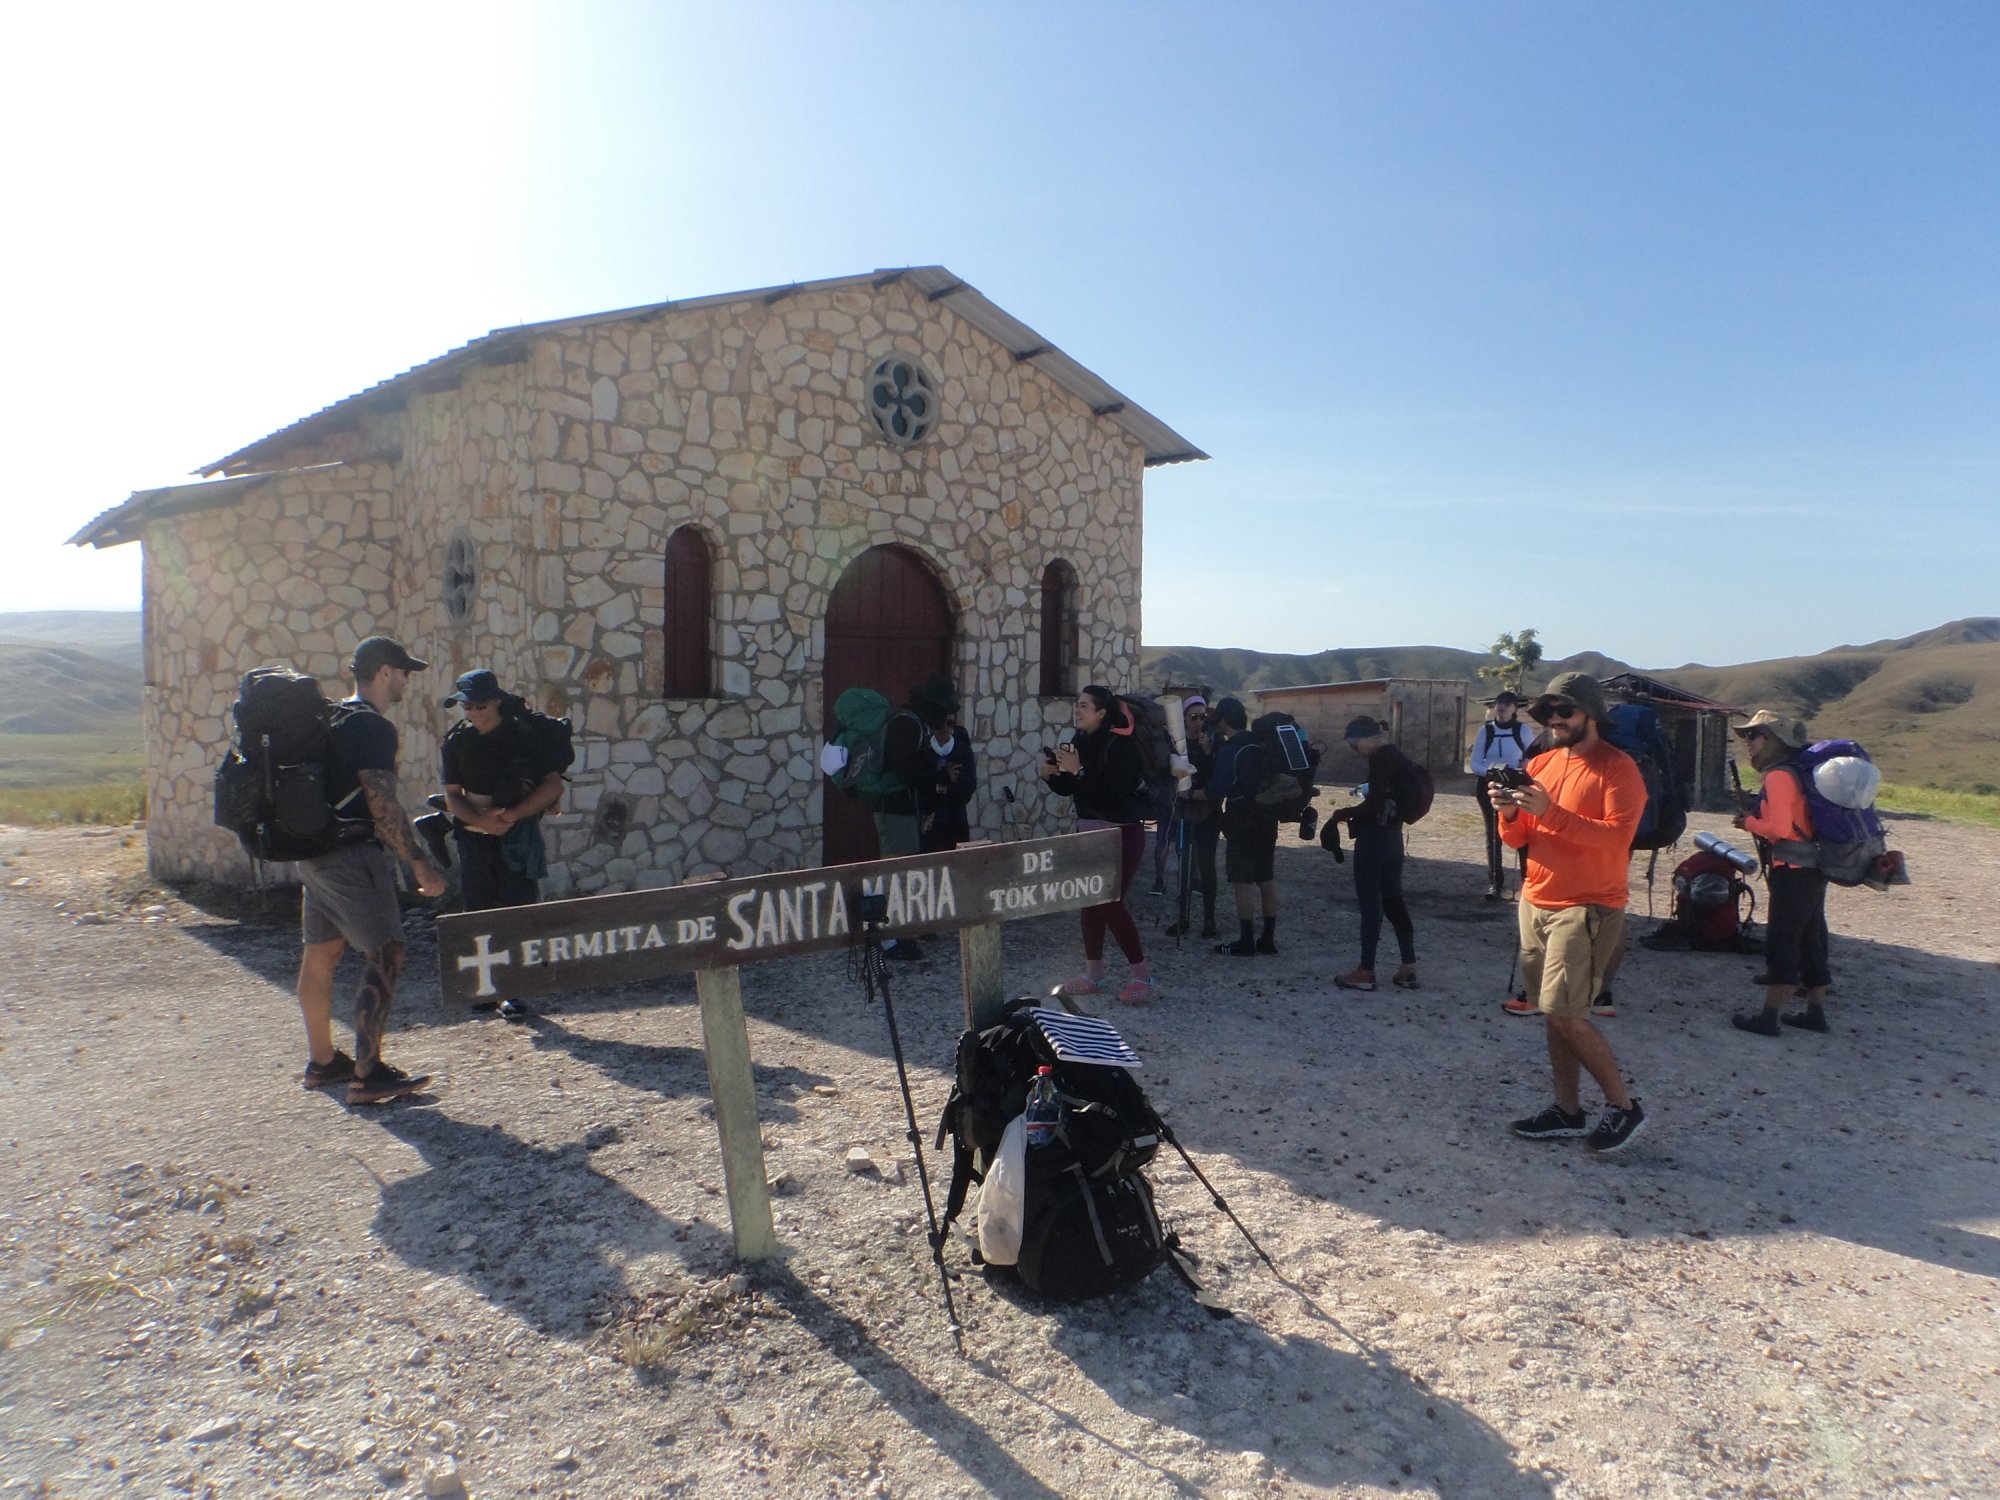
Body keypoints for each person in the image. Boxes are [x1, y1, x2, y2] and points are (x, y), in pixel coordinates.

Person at [1496, 672, 1650, 1155]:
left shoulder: (1618, 768)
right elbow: (1518, 839)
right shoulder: (1541, 763)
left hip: (1587, 905)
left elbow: (1616, 837)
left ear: (1591, 714)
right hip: (1536, 899)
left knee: (1567, 1013)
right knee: (1553, 1013)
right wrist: (1508, 812)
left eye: (1565, 710)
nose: (1555, 719)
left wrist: (1549, 811)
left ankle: (1624, 1108)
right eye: (1548, 712)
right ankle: (1567, 1111)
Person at [297, 636, 447, 1106]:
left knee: (321, 953)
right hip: (352, 854)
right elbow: (381, 803)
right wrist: (418, 861)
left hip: (314, 853)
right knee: (388, 951)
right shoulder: (372, 727)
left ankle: (324, 1061)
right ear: (384, 672)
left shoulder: (330, 718)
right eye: (404, 672)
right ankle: (368, 1073)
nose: (406, 680)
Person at [438, 669, 568, 1021]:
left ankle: (513, 990)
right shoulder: (456, 741)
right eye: (467, 705)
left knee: (516, 910)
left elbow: (552, 786)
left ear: (496, 701)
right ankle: (485, 987)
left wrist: (510, 817)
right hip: (473, 837)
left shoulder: (522, 736)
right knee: (479, 911)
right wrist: (482, 822)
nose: (473, 712)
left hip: (518, 836)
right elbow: (453, 795)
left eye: (479, 705)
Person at [1037, 684, 1156, 1004]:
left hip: (1121, 833)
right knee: (1089, 900)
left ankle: (1142, 976)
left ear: (1102, 713)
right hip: (1088, 830)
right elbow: (1073, 788)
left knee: (1110, 901)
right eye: (1077, 704)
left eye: (1084, 706)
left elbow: (1115, 793)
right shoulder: (1079, 741)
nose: (1077, 710)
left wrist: (1079, 770)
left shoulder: (1122, 746)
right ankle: (1094, 975)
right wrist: (1051, 776)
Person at [1729, 710, 1833, 1037]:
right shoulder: (1798, 772)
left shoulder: (1778, 776)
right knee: (1812, 938)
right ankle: (1815, 1012)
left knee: (1783, 941)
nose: (1748, 742)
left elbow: (1781, 829)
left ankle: (1769, 1017)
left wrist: (1749, 822)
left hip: (1792, 870)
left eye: (1754, 735)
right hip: (1813, 867)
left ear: (1773, 739)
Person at [1328, 716, 1419, 992]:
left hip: (1374, 841)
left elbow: (1375, 804)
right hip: (1393, 838)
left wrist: (1341, 814)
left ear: (1369, 739)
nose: (1354, 749)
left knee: (1370, 905)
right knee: (1394, 900)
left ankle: (1365, 971)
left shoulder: (1380, 759)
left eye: (1355, 743)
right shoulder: (1398, 757)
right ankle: (1408, 967)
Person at [1193, 697, 1280, 957]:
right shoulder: (1259, 743)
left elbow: (1217, 789)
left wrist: (1192, 794)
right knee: (1265, 878)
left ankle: (1246, 940)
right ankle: (1268, 938)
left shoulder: (1232, 749)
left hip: (1242, 820)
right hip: (1267, 817)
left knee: (1242, 880)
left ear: (1223, 721)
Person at [1164, 697, 1220, 939]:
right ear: (1184, 719)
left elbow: (1216, 779)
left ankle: (1209, 919)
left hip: (1208, 811)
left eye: (1202, 717)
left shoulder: (1214, 743)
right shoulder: (1178, 745)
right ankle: (1182, 917)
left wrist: (1208, 753)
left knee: (1206, 865)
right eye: (1193, 717)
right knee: (1184, 865)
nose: (1198, 722)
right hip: (1184, 809)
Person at [1469, 691, 1533, 901]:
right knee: (1493, 833)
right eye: (1499, 703)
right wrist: (1492, 773)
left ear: (1515, 708)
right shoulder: (1485, 731)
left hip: (1515, 784)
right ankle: (1495, 884)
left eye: (1507, 704)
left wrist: (1519, 770)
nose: (1502, 707)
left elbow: (1531, 759)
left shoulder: (1523, 730)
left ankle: (1527, 882)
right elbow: (1475, 762)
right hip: (1488, 784)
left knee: (1522, 832)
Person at [916, 693, 978, 854]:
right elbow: (919, 783)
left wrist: (956, 779)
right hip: (931, 819)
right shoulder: (924, 750)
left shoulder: (963, 750)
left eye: (950, 722)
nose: (946, 727)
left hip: (956, 818)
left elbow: (971, 785)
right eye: (941, 722)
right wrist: (941, 778)